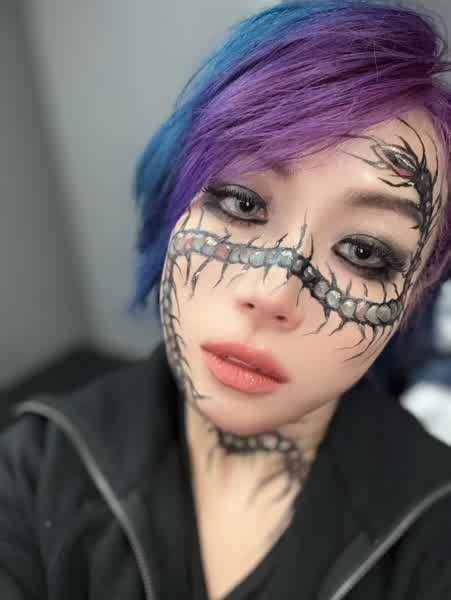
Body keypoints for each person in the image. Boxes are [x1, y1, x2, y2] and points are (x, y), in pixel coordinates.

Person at [2, 1, 451, 598]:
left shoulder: (435, 530)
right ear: (175, 205)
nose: (273, 293)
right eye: (242, 203)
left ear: (413, 298)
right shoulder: (38, 464)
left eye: (364, 252)